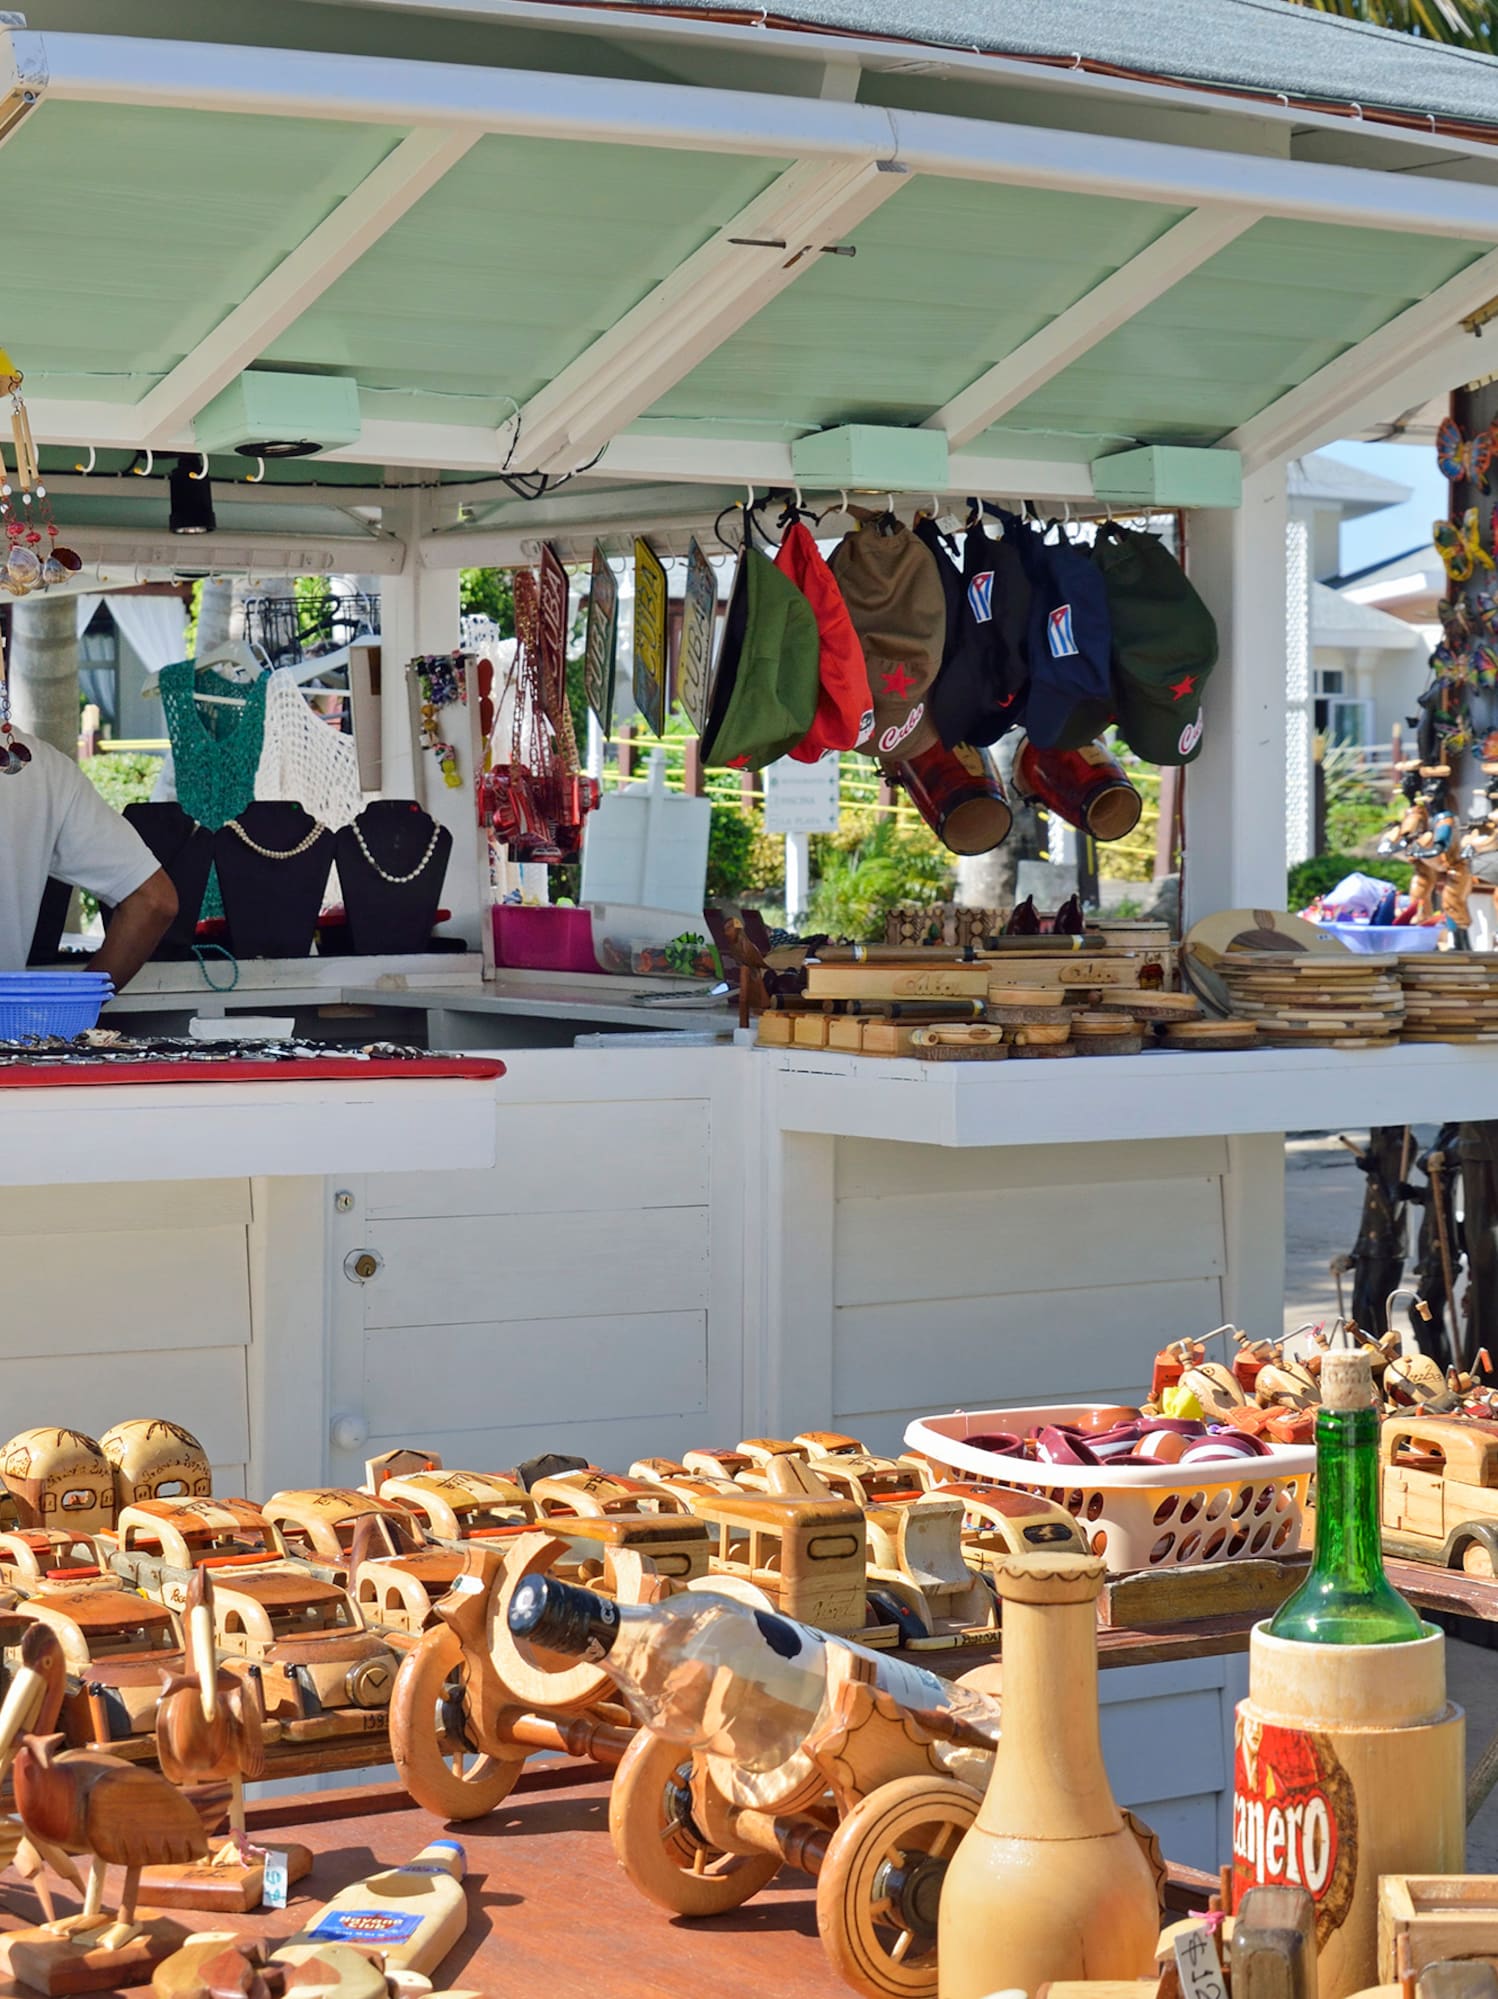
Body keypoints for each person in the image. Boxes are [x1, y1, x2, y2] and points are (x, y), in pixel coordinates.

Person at [0, 729, 177, 987]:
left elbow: (154, 901)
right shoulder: (44, 769)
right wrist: (67, 1012)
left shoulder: (38, 766)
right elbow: (153, 901)